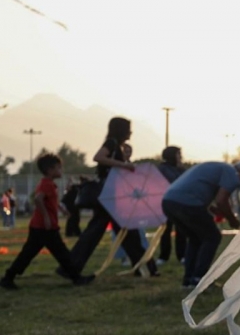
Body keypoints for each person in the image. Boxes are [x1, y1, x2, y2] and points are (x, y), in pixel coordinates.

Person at [62, 117, 157, 277]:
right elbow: (98, 157)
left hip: (111, 195)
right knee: (125, 232)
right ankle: (145, 268)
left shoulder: (115, 145)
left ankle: (70, 267)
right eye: (128, 128)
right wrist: (124, 165)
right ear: (121, 130)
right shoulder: (112, 143)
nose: (131, 132)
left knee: (110, 232)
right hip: (111, 195)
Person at [162, 160, 240, 288]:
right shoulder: (232, 173)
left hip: (168, 202)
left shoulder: (218, 168)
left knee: (195, 239)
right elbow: (221, 200)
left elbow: (200, 189)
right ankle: (199, 277)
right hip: (187, 203)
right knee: (212, 237)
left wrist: (213, 209)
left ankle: (189, 279)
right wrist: (232, 219)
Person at [1, 153, 95, 290]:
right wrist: (46, 217)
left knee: (45, 253)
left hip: (42, 227)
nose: (60, 171)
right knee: (58, 253)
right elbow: (38, 199)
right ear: (50, 170)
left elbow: (49, 201)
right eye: (58, 168)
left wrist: (62, 210)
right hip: (44, 227)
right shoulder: (47, 184)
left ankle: (8, 278)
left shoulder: (48, 184)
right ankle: (76, 278)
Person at [157, 146, 187, 265]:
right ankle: (164, 256)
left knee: (181, 231)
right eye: (178, 154)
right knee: (166, 230)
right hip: (167, 202)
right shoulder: (163, 169)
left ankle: (182, 255)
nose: (180, 157)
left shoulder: (181, 169)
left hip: (179, 203)